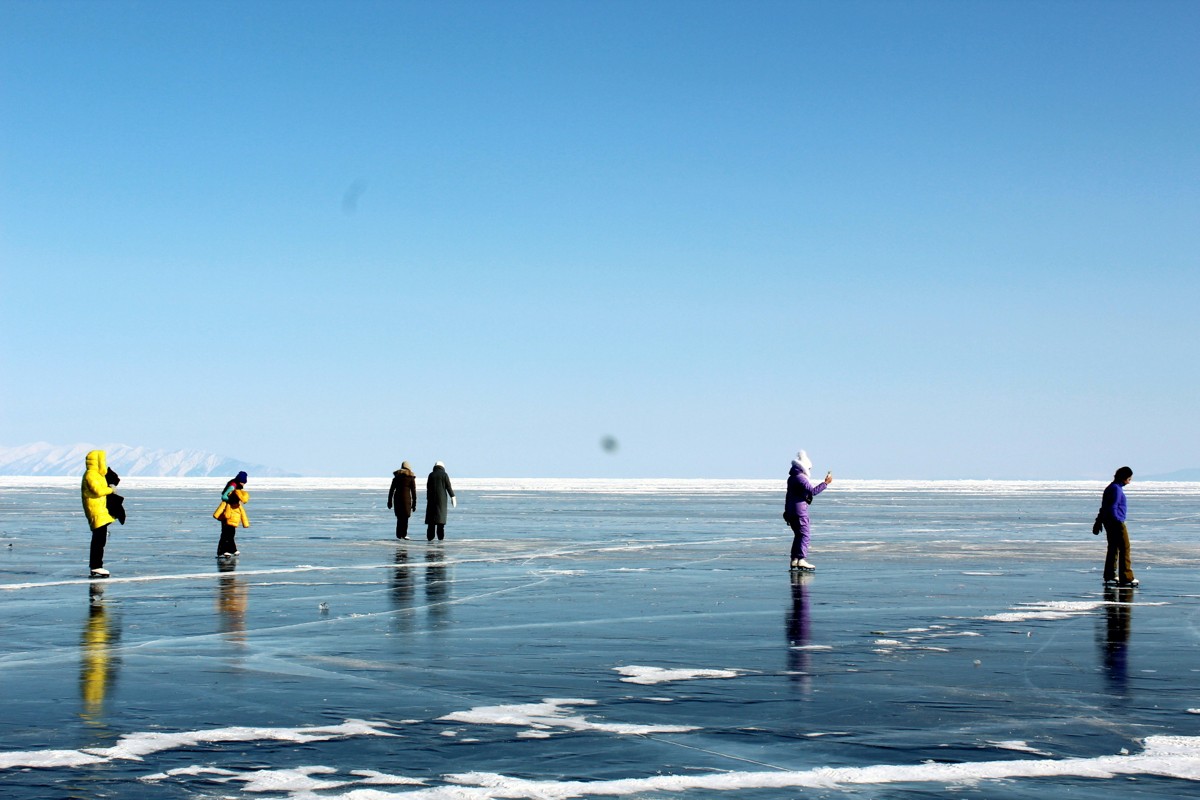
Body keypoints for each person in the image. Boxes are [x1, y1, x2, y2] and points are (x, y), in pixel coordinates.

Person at [783, 449, 832, 571]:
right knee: (804, 535)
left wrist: (787, 512)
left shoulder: (792, 478)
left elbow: (791, 496)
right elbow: (812, 491)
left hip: (791, 510)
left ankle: (795, 559)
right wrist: (825, 483)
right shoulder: (801, 478)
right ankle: (801, 559)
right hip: (799, 511)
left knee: (798, 535)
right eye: (809, 469)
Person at [1093, 466, 1137, 587]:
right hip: (1116, 523)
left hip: (1109, 522)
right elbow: (1112, 507)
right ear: (1124, 478)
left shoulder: (1111, 488)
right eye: (1129, 478)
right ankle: (1126, 576)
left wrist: (1099, 521)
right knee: (1125, 547)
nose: (1130, 481)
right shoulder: (1116, 489)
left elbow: (1104, 507)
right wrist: (1118, 521)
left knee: (1113, 547)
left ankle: (1110, 574)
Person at [81, 450, 117, 578]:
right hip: (94, 510)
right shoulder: (90, 475)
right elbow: (97, 490)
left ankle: (96, 566)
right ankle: (96, 566)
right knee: (98, 538)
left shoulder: (98, 475)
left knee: (100, 538)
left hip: (100, 510)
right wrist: (110, 490)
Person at [214, 472, 250, 559]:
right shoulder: (233, 485)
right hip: (227, 512)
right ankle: (223, 551)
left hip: (233, 513)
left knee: (231, 532)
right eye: (243, 482)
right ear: (240, 480)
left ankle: (232, 549)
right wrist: (231, 500)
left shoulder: (237, 486)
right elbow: (224, 496)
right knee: (226, 532)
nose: (244, 484)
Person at [424, 461, 456, 541]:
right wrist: (453, 496)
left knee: (431, 521)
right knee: (440, 521)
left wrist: (428, 498)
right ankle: (440, 537)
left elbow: (428, 488)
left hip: (431, 500)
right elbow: (448, 487)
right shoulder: (444, 475)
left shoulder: (431, 475)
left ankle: (430, 537)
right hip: (441, 501)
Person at [387, 462, 418, 539]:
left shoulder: (396, 477)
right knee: (405, 518)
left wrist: (389, 501)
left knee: (399, 518)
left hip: (397, 500)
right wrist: (414, 504)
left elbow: (391, 490)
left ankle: (398, 535)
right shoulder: (410, 478)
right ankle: (403, 534)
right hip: (406, 500)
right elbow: (413, 492)